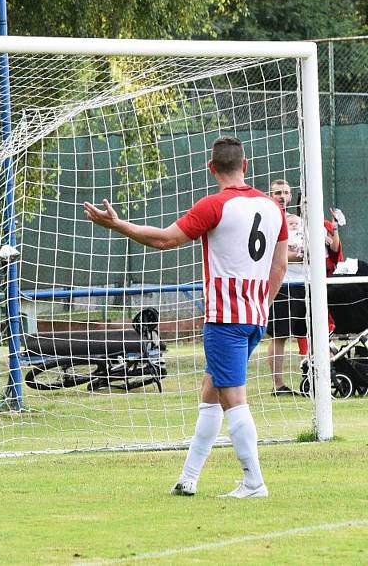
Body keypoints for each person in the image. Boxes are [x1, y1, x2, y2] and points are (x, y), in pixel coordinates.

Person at [84, 136, 287, 498]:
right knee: (211, 393)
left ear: (211, 168)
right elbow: (280, 265)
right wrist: (263, 304)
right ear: (247, 165)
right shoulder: (274, 208)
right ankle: (188, 477)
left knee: (234, 399)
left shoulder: (215, 206)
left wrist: (119, 226)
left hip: (225, 319)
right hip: (255, 317)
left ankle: (254, 481)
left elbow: (164, 240)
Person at [266, 179, 344, 395]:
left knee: (316, 332)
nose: (282, 196)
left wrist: (330, 234)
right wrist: (300, 254)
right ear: (270, 195)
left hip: (308, 284)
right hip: (283, 284)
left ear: (291, 197)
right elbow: (274, 254)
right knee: (279, 336)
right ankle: (278, 385)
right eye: (277, 192)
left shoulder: (299, 221)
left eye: (285, 193)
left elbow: (330, 246)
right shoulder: (269, 220)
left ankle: (318, 376)